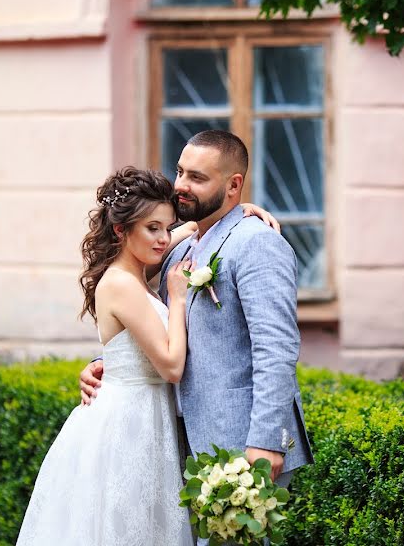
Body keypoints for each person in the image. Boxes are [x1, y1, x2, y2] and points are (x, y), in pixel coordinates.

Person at [17, 167, 277, 545]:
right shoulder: (123, 284)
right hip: (128, 423)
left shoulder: (135, 272)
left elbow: (187, 232)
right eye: (151, 228)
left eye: (166, 227)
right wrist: (180, 297)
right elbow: (171, 366)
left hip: (146, 414)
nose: (162, 238)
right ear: (122, 230)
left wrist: (236, 213)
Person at [81, 130, 314, 545]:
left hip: (242, 449)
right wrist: (109, 365)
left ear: (233, 186)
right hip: (181, 448)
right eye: (180, 171)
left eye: (197, 178)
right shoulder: (174, 248)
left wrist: (266, 443)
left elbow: (276, 351)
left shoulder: (256, 243)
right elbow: (145, 320)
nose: (181, 185)